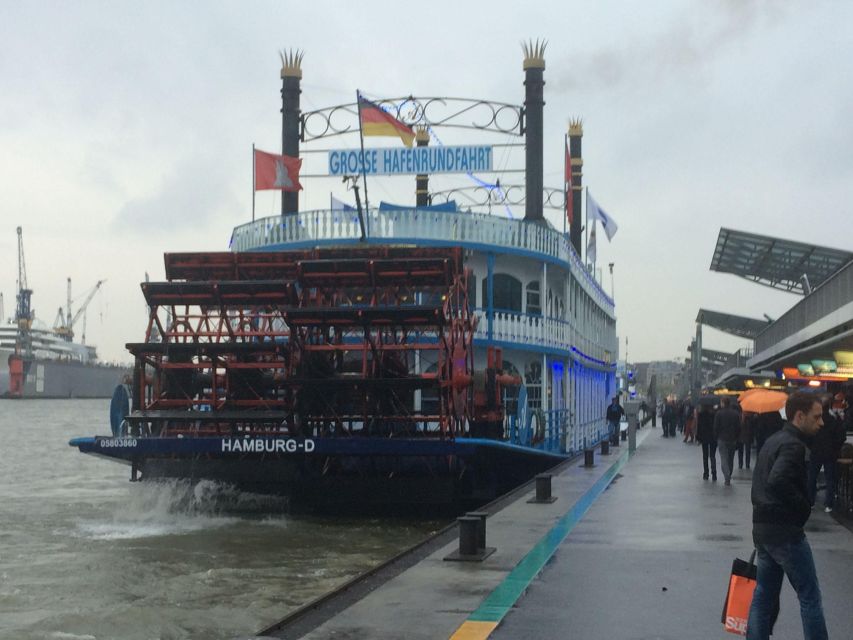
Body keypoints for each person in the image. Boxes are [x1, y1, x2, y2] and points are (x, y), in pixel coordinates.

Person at [746, 392, 828, 640]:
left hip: (762, 528)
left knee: (764, 595)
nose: (821, 422)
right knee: (809, 596)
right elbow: (777, 480)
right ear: (799, 416)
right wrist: (803, 506)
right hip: (785, 531)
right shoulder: (793, 445)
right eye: (817, 417)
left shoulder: (774, 440)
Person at [807, 395, 847, 512]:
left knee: (812, 477)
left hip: (816, 452)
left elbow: (809, 436)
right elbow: (841, 437)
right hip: (830, 453)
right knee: (830, 479)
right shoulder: (834, 420)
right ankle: (829, 504)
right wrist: (836, 449)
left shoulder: (815, 420)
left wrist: (812, 446)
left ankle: (810, 501)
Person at [714, 396, 741, 486]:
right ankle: (729, 473)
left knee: (724, 458)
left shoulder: (719, 414)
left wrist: (716, 436)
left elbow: (716, 427)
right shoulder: (736, 414)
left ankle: (727, 476)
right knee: (731, 458)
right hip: (732, 439)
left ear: (723, 403)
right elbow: (738, 427)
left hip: (722, 438)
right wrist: (737, 436)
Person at [696, 403, 717, 480]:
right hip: (713, 437)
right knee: (712, 456)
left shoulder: (701, 414)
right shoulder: (715, 414)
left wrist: (698, 438)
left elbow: (699, 426)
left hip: (704, 437)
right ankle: (714, 473)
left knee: (705, 456)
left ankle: (706, 473)